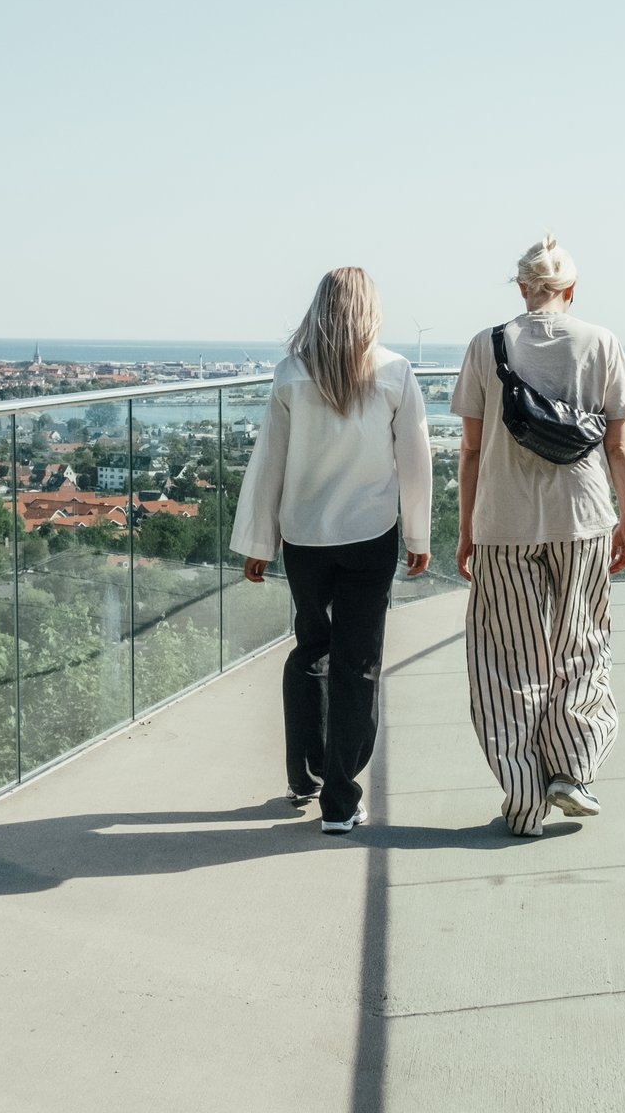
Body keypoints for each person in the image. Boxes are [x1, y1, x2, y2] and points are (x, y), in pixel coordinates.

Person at [231, 268, 433, 835]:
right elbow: (416, 463)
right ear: (371, 309)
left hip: (304, 538)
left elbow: (269, 462)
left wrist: (258, 542)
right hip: (371, 536)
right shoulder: (394, 371)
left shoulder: (291, 374)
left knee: (311, 648)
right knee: (357, 664)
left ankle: (306, 775)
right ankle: (340, 802)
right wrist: (418, 536)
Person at [451, 235, 625, 836]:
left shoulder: (487, 345)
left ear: (522, 288)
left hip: (503, 524)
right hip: (582, 519)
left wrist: (466, 531)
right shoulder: (602, 343)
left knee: (508, 661)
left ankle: (525, 799)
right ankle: (574, 771)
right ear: (571, 290)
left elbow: (473, 450)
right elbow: (619, 447)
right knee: (581, 644)